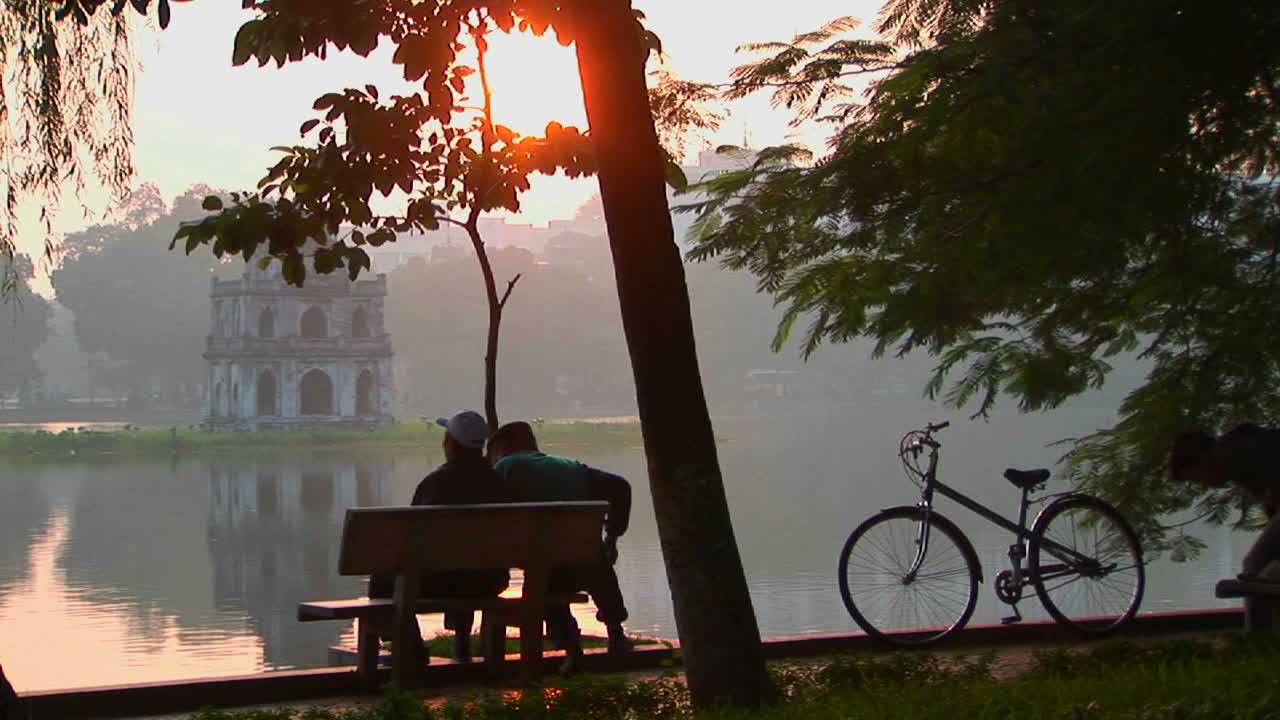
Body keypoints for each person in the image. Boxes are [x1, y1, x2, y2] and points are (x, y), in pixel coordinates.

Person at [487, 421, 634, 671]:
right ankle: (615, 632)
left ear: (505, 447)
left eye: (493, 452)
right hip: (587, 563)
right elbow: (621, 487)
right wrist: (612, 537)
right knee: (595, 559)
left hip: (545, 568)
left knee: (542, 571)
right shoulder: (570, 467)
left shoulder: (504, 469)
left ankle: (571, 647)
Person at [368, 410, 509, 662]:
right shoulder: (499, 482)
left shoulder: (436, 483)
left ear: (451, 444)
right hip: (491, 579)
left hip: (442, 581)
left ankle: (408, 648)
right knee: (465, 565)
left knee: (382, 579)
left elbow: (408, 537)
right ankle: (462, 645)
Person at [1171, 423, 1280, 580]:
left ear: (1203, 459)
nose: (1204, 485)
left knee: (1254, 565)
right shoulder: (1234, 461)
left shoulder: (1234, 451)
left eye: (1198, 477)